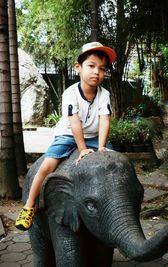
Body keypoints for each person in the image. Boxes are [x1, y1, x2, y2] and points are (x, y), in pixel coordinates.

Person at [15, 41, 116, 231]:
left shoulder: (104, 94)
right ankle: (29, 205)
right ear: (78, 67)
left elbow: (104, 120)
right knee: (47, 165)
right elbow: (74, 121)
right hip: (69, 134)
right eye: (91, 66)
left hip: (94, 136)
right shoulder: (70, 93)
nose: (97, 72)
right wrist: (82, 149)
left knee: (114, 164)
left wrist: (102, 146)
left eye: (102, 69)